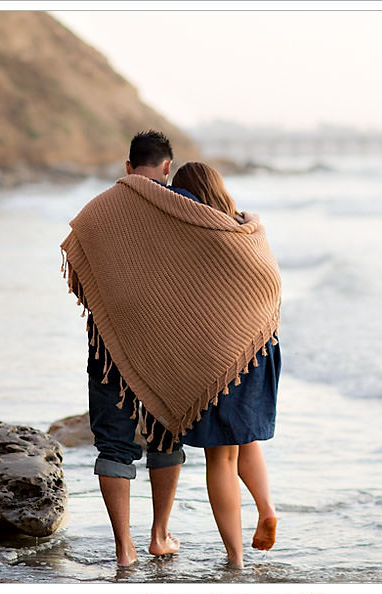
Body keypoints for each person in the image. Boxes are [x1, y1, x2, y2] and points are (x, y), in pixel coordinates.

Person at [60, 132, 282, 569]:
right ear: (166, 168)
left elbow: (82, 274)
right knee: (166, 441)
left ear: (127, 167)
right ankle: (160, 535)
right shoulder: (182, 213)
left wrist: (116, 310)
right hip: (171, 356)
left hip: (110, 347)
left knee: (113, 448)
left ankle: (124, 552)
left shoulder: (97, 211)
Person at [171, 162, 281, 568]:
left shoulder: (191, 229)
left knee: (220, 456)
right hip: (262, 346)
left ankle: (235, 558)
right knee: (245, 437)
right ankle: (266, 507)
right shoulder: (247, 229)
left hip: (219, 354)